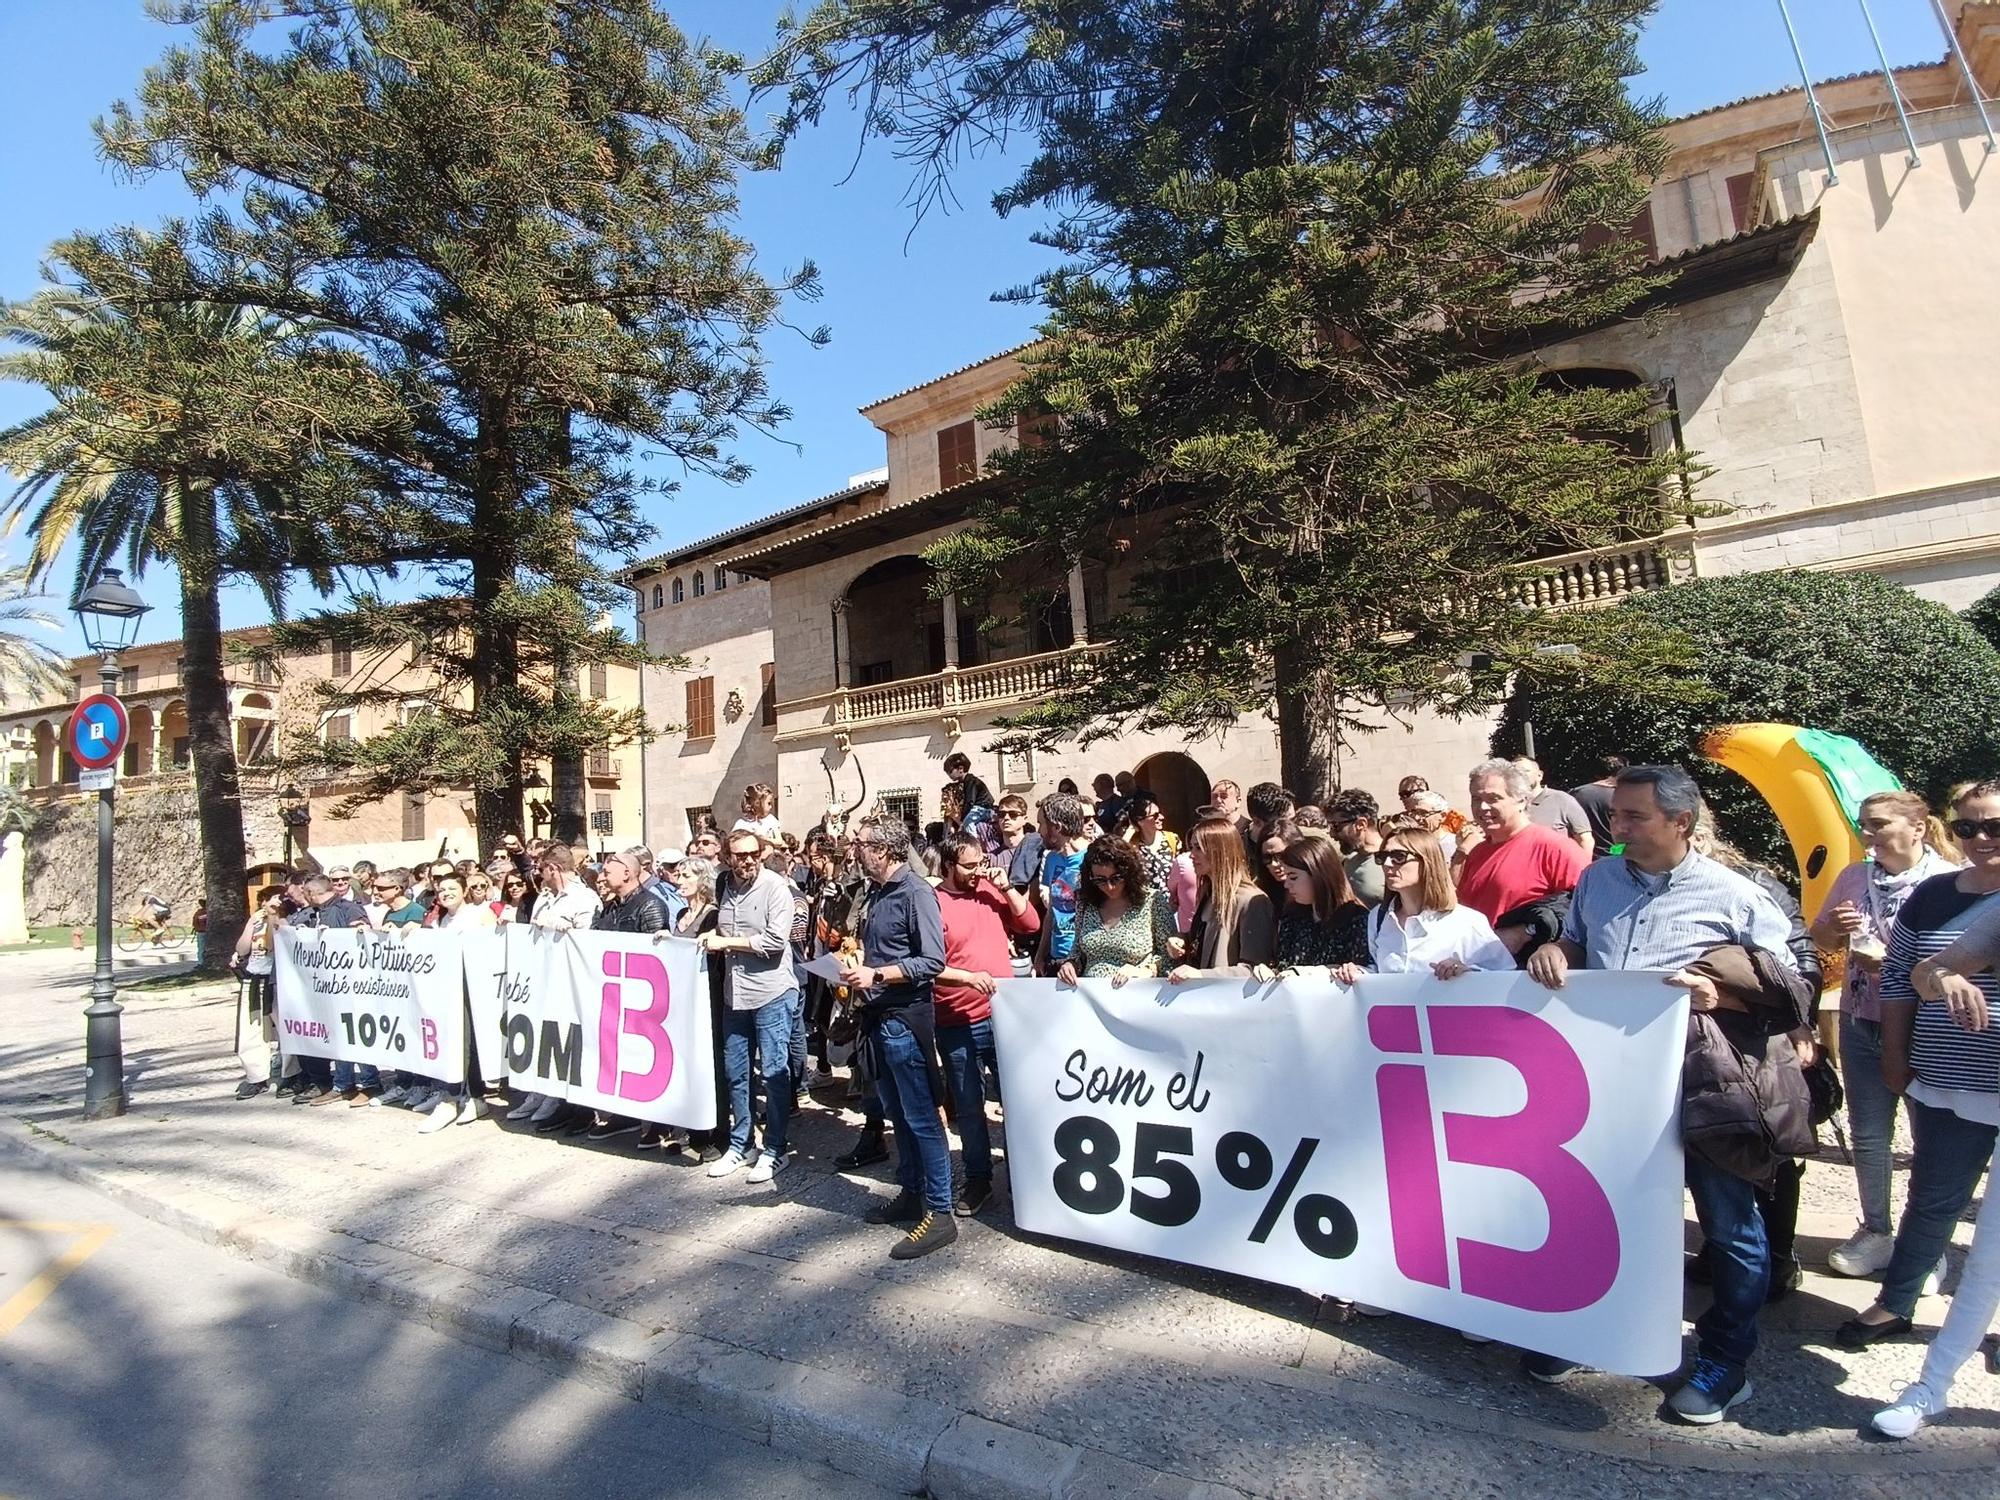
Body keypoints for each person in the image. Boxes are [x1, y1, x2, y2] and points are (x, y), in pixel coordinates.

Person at [1523, 765, 1803, 1424]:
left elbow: (1793, 990)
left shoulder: (1735, 895)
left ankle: (1725, 1361)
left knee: (1729, 1227)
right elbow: (1578, 940)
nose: (1616, 829)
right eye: (1615, 816)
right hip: (1612, 1084)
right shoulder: (1598, 878)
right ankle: (1595, 1329)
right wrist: (1559, 950)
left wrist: (1725, 996)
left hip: (1705, 1084)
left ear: (1683, 822)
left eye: (1633, 818)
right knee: (1603, 1213)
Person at [1836, 781, 2000, 1354]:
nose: (1981, 839)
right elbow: (1906, 976)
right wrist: (1894, 1053)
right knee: (1934, 1196)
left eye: (1995, 828)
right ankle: (1897, 1301)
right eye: (1968, 827)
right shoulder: (1933, 895)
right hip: (1950, 1081)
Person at [1809, 789, 1960, 1278]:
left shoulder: (1947, 882)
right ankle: (1876, 1231)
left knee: (1928, 1136)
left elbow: (1964, 964)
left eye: (1877, 824)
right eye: (1862, 825)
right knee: (1870, 1134)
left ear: (1917, 828)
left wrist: (1892, 963)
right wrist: (1834, 926)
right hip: (1859, 1017)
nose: (1866, 834)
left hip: (1925, 1023)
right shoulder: (1856, 876)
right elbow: (1822, 938)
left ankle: (1925, 1246)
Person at [1870, 893, 2000, 1437]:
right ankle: (1932, 1387)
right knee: (1988, 1259)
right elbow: (1923, 971)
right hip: (1973, 1085)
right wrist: (1946, 977)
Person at [839, 815, 957, 1259]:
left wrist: (878, 973)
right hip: (877, 1016)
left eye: (861, 843)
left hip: (905, 1019)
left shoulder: (916, 892)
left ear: (885, 849)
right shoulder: (876, 892)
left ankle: (940, 1212)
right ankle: (912, 1193)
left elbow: (932, 961)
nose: (855, 849)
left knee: (923, 1116)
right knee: (899, 1115)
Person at [932, 833, 1039, 1215]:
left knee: (1015, 1098)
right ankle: (978, 1178)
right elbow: (928, 965)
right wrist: (964, 977)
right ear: (948, 866)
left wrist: (1006, 887)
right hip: (957, 1018)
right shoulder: (934, 904)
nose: (978, 871)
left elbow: (1029, 923)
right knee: (969, 1105)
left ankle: (1023, 1174)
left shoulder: (989, 891)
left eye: (980, 863)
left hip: (1003, 1014)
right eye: (969, 866)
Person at [698, 831, 801, 1183]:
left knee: (773, 1073)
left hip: (771, 992)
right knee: (736, 1072)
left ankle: (775, 1148)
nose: (747, 860)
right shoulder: (725, 884)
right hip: (735, 994)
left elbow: (774, 941)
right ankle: (741, 1144)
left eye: (753, 853)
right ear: (727, 857)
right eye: (739, 855)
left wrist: (725, 942)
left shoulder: (776, 888)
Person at [1342, 819, 1512, 980]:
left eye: (1398, 856)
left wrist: (1468, 972)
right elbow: (1380, 973)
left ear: (1427, 862)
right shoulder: (1378, 918)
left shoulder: (1466, 922)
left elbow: (1506, 975)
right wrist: (1358, 972)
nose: (1387, 863)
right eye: (1382, 856)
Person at [1456, 760, 1588, 960]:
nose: (1482, 807)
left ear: (1520, 800)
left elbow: (1586, 905)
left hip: (1530, 974)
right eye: (1476, 799)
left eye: (1494, 798)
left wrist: (1528, 929)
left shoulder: (1554, 847)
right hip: (1480, 968)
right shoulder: (1477, 852)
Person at [414, 869, 499, 1135]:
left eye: (452, 888)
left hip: (472, 987)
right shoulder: (438, 921)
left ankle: (466, 1097)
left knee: (469, 1041)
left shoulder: (479, 914)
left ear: (463, 891)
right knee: (451, 1041)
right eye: (441, 890)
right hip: (445, 989)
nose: (446, 893)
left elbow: (491, 942)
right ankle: (456, 1096)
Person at [288, 873, 373, 1105]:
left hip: (352, 984)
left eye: (306, 892)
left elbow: (363, 933)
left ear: (313, 893)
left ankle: (370, 1082)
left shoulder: (348, 909)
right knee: (337, 1035)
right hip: (327, 987)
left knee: (356, 1033)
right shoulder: (313, 913)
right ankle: (343, 1084)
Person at [1169, 816, 1276, 980]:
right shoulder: (1207, 892)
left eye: (1199, 848)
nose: (1192, 855)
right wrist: (1181, 941)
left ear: (1220, 851)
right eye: (1191, 847)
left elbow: (1255, 969)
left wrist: (1201, 975)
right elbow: (1199, 943)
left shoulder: (1253, 901)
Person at [1059, 835, 1175, 984]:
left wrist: (1145, 970)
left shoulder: (1153, 901)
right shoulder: (1086, 902)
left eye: (1116, 878)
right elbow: (1077, 951)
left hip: (1137, 996)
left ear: (1129, 873)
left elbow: (1169, 958)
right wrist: (1070, 964)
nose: (1109, 887)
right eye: (1100, 880)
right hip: (1091, 998)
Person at [1254, 834, 1369, 980]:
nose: (1286, 884)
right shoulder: (1292, 917)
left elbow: (1359, 973)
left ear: (1318, 875)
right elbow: (1283, 965)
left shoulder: (1356, 920)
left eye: (1293, 877)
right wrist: (1271, 973)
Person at [230, 888, 286, 1099]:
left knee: (285, 1028)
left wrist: (274, 917)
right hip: (254, 979)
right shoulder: (255, 919)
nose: (274, 902)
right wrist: (251, 925)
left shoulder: (283, 919)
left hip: (276, 979)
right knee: (252, 1030)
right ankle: (256, 1077)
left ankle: (291, 1074)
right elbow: (242, 948)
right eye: (269, 900)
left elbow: (273, 944)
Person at [1032, 792, 1091, 978]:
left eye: (1041, 823)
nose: (1039, 830)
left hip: (1085, 959)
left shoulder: (1094, 857)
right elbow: (1052, 911)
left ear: (1056, 827)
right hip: (1056, 956)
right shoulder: (1051, 859)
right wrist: (1040, 955)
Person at [1513, 756, 1593, 855]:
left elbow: (1585, 840)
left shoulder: (1562, 799)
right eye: (1515, 773)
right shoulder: (1508, 804)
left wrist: (1583, 868)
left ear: (1539, 775)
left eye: (1526, 771)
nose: (1521, 775)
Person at [1324, 788, 1387, 906]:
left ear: (1360, 824)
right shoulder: (1348, 861)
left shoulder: (1393, 862)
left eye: (1336, 826)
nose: (1332, 834)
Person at [1569, 755, 1628, 858]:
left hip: (1585, 856)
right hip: (1619, 857)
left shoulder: (1576, 794)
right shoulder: (1626, 795)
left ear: (1596, 773)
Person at [1124, 794, 1180, 900]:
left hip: (1172, 905)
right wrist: (1131, 829)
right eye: (1155, 815)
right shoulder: (1132, 846)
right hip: (1145, 906)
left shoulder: (1172, 839)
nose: (1161, 817)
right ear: (1140, 821)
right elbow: (1117, 857)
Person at [943, 752, 997, 849]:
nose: (949, 775)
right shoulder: (967, 781)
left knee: (968, 821)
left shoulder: (971, 782)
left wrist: (963, 819)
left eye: (950, 771)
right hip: (981, 807)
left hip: (983, 807)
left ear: (961, 769)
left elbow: (970, 802)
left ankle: (974, 843)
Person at [994, 793, 1045, 894]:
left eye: (1013, 814)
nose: (1006, 818)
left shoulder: (1038, 846)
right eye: (1002, 814)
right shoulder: (992, 856)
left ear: (1025, 819)